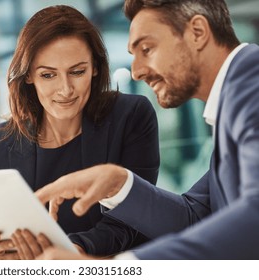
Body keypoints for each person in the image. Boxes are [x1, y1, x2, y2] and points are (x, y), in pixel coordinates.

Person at [24, 0, 259, 260]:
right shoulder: (236, 99)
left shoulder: (252, 87)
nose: (136, 72)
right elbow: (195, 217)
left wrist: (121, 268)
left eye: (147, 49)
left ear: (197, 33)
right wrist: (118, 184)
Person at [0, 5, 160, 260]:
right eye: (48, 75)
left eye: (77, 72)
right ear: (28, 76)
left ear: (95, 67)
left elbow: (132, 221)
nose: (65, 89)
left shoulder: (131, 116)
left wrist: (66, 254)